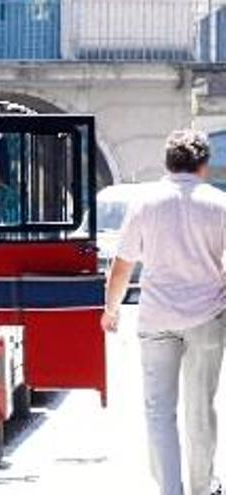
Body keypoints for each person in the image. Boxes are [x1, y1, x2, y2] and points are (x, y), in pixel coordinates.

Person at [102, 129, 226, 495]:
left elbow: (122, 265)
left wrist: (111, 310)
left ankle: (170, 489)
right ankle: (202, 488)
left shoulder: (146, 203)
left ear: (167, 163)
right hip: (207, 316)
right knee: (200, 409)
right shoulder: (219, 205)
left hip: (156, 318)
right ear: (203, 165)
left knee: (159, 411)